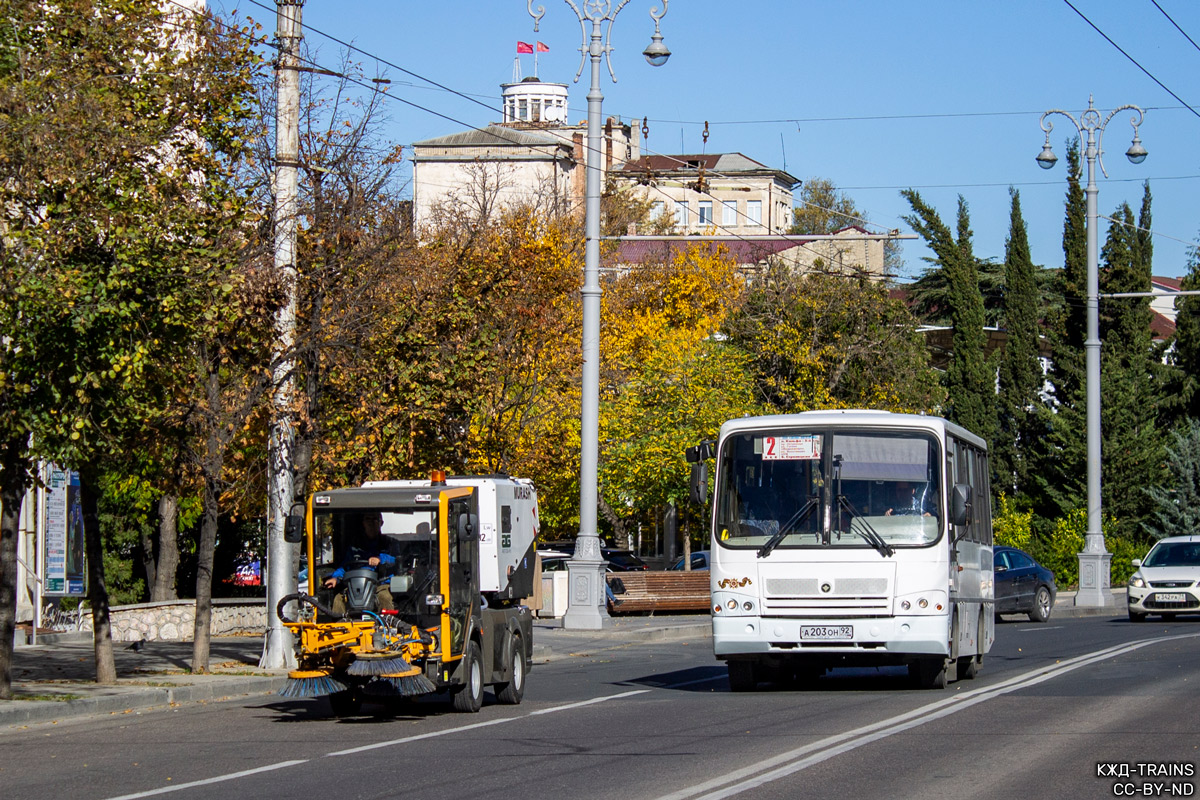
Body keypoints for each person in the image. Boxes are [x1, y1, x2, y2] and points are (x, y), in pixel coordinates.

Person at [324, 512, 396, 614]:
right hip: (355, 585)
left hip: (380, 585)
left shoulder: (390, 543)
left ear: (381, 523)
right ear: (363, 523)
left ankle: (388, 625)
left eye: (375, 519)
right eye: (368, 519)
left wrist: (381, 559)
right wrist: (335, 578)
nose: (371, 522)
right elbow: (345, 566)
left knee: (385, 597)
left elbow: (396, 559)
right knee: (338, 599)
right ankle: (339, 626)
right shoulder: (355, 546)